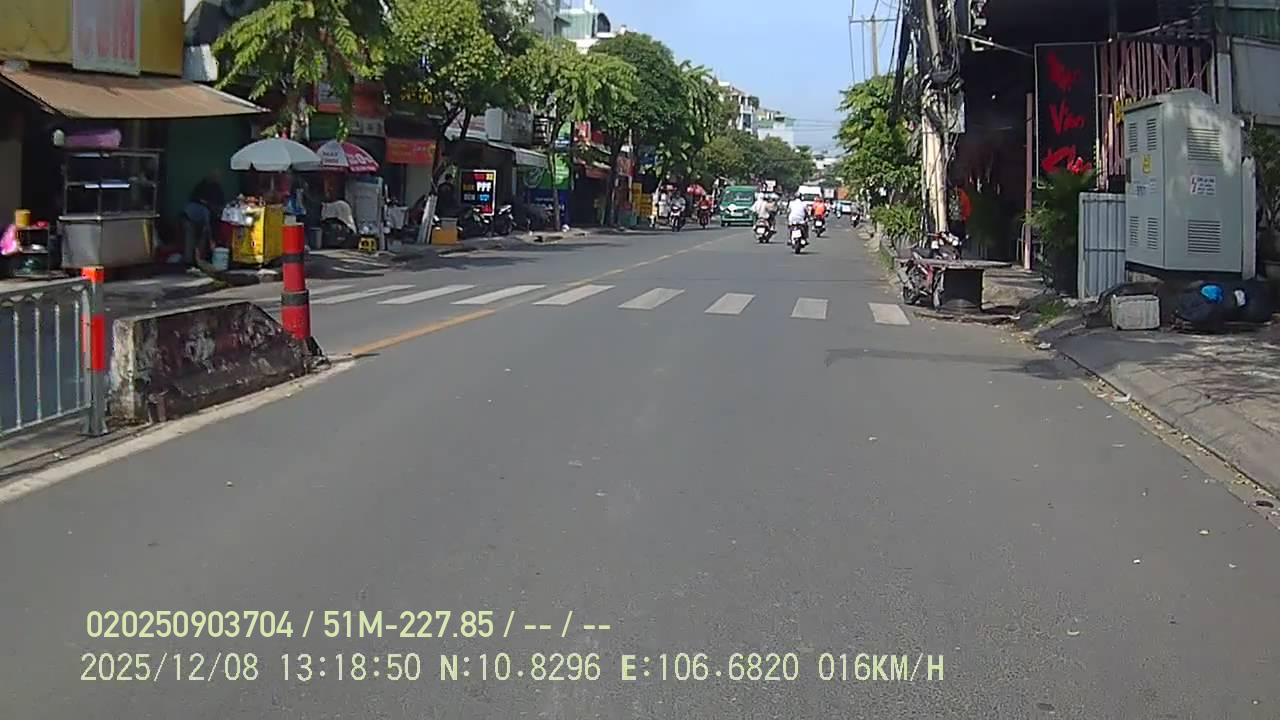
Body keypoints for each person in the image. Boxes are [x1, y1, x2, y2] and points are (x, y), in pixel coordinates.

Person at [183, 171, 226, 264]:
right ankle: (191, 261)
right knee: (192, 239)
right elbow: (208, 226)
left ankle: (195, 261)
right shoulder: (205, 210)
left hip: (190, 216)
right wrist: (211, 241)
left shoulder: (209, 188)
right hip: (188, 219)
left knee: (197, 239)